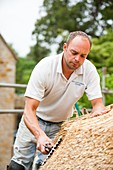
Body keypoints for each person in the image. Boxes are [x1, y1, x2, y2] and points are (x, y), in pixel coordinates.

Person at [8, 31, 110, 170]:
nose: (77, 59)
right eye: (74, 53)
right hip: (34, 120)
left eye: (83, 56)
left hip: (60, 126)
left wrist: (97, 115)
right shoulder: (45, 67)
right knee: (19, 164)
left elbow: (97, 104)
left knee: (48, 165)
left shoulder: (89, 71)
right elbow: (29, 109)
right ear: (65, 47)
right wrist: (40, 135)